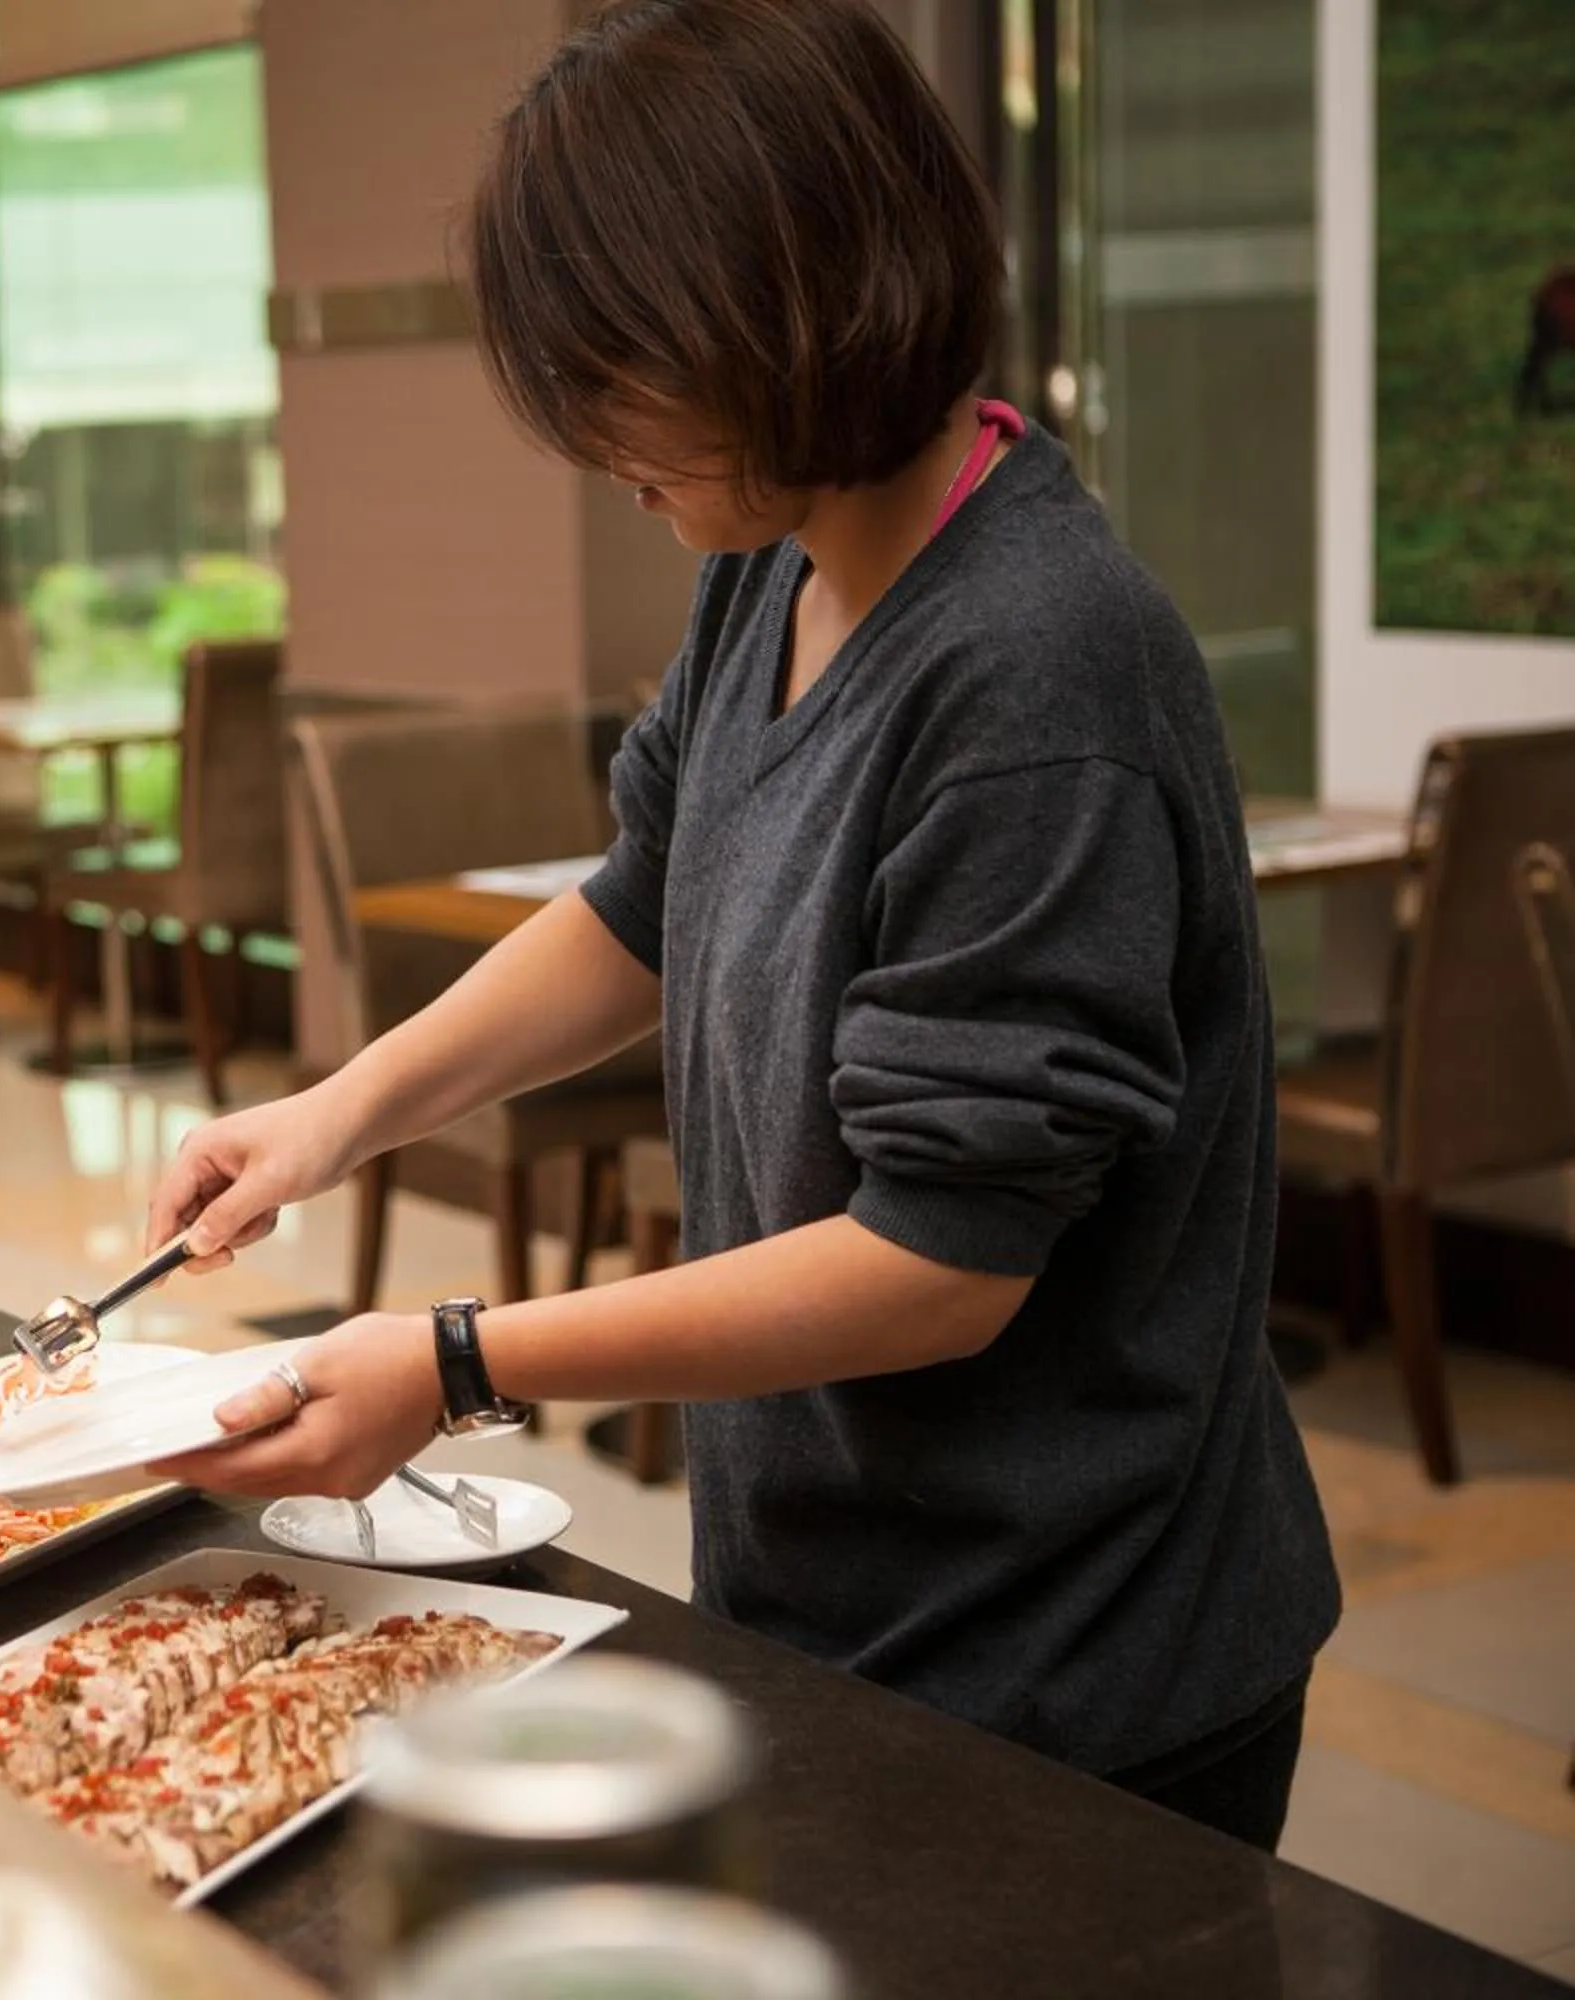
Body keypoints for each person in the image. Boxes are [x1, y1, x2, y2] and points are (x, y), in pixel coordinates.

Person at [141, 0, 1339, 1850]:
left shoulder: (1035, 666)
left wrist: (455, 1360)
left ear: (783, 314)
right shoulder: (772, 569)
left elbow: (944, 1261)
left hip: (1075, 1653)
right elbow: (639, 904)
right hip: (843, 1585)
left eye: (625, 378)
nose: (601, 443)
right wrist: (333, 1116)